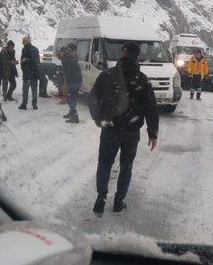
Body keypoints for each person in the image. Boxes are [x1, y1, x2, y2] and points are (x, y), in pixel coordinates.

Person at [89, 42, 159, 215]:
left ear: (123, 53)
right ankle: (119, 202)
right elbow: (151, 107)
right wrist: (153, 132)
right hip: (131, 132)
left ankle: (101, 199)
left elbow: (93, 98)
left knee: (104, 163)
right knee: (126, 166)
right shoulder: (141, 79)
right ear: (137, 57)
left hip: (109, 128)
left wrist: (98, 117)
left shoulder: (107, 75)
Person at [61, 44, 83, 123]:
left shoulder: (65, 59)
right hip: (78, 80)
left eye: (61, 53)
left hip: (72, 81)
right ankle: (71, 113)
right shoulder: (73, 57)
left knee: (70, 98)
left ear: (63, 52)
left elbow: (67, 72)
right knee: (73, 97)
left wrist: (66, 84)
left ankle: (75, 116)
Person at [18, 36, 40, 110]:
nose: (22, 42)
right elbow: (37, 61)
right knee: (34, 90)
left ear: (27, 41)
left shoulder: (25, 49)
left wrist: (24, 69)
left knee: (25, 90)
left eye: (23, 41)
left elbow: (23, 61)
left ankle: (24, 104)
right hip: (34, 73)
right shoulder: (36, 49)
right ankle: (34, 105)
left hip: (27, 73)